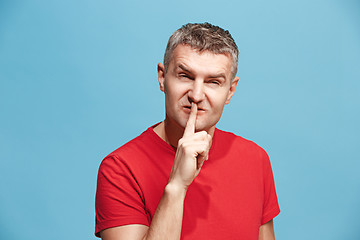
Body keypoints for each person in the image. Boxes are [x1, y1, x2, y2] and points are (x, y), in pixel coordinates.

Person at [95, 22, 280, 240]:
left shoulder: (255, 159)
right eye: (185, 76)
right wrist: (176, 186)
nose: (197, 95)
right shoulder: (119, 169)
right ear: (162, 77)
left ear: (230, 91)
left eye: (213, 82)